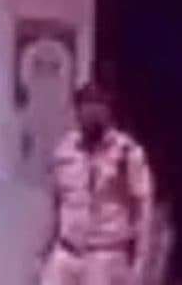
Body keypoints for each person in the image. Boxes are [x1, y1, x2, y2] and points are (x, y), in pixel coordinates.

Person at [39, 82, 155, 285]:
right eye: (85, 105)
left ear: (108, 110)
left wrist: (140, 263)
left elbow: (143, 209)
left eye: (98, 105)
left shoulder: (127, 153)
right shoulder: (65, 149)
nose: (91, 112)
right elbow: (57, 202)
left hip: (105, 255)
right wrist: (44, 250)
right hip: (66, 252)